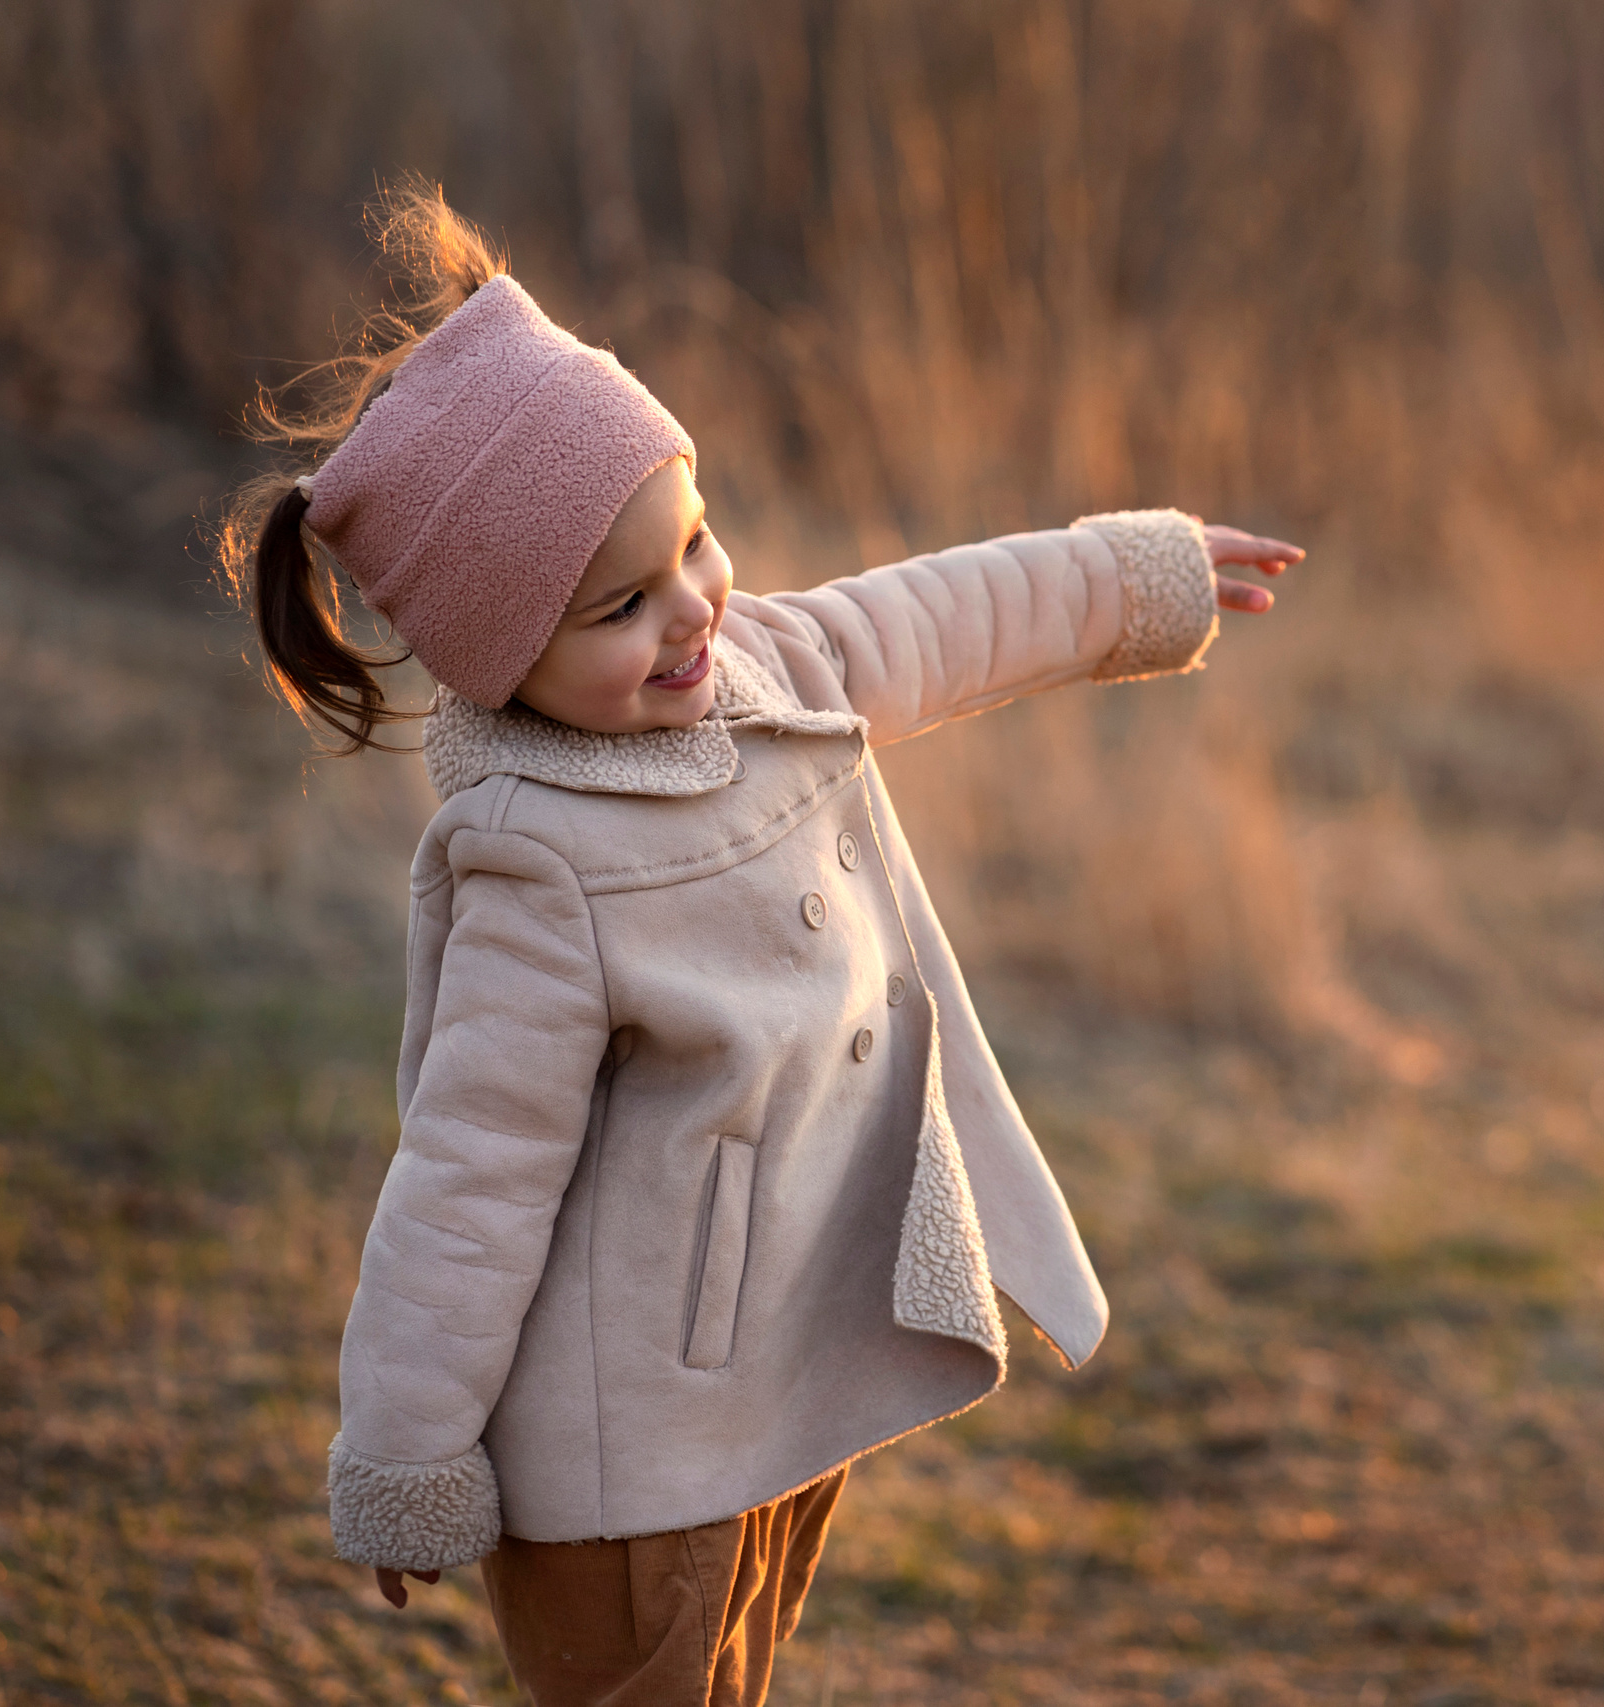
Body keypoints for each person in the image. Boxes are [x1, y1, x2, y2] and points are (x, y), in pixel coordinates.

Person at [217, 185, 1302, 1707]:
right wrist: (407, 1457)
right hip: (630, 1460)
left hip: (781, 1390)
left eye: (697, 542)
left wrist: (1132, 578)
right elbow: (467, 1181)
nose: (692, 614)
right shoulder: (537, 865)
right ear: (501, 660)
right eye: (621, 607)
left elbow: (939, 618)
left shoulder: (764, 668)